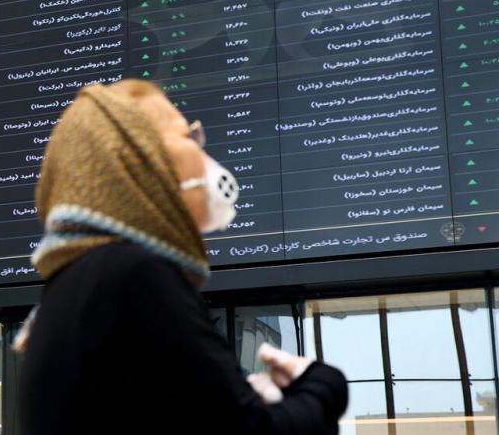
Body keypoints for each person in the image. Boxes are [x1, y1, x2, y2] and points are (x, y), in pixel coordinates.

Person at [18, 80, 348, 434]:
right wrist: (321, 384)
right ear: (145, 160)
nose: (200, 150)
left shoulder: (65, 293)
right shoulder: (138, 275)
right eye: (188, 136)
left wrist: (238, 395)